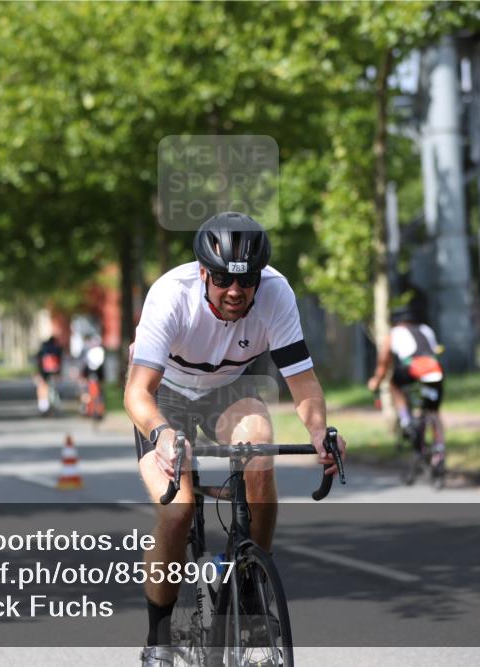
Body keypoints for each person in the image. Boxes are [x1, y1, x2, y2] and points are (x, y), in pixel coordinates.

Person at [123, 212, 347, 666]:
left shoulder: (276, 293)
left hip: (229, 385)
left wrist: (321, 432)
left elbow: (302, 381)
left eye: (246, 283)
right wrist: (163, 434)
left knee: (260, 447)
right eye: (223, 279)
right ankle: (159, 638)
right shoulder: (171, 295)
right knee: (178, 507)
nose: (235, 292)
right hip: (165, 393)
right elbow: (136, 392)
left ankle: (249, 589)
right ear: (203, 272)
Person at [367, 305, 446, 467]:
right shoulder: (426, 329)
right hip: (434, 370)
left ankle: (405, 419)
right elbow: (434, 351)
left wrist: (376, 380)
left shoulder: (394, 334)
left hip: (412, 370)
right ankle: (440, 449)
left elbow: (383, 363)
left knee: (393, 384)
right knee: (434, 412)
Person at [35, 335, 63, 415]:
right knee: (53, 389)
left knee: (42, 388)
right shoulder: (57, 349)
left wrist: (38, 373)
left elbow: (38, 362)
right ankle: (54, 406)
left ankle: (43, 407)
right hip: (54, 372)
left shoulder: (43, 349)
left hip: (43, 372)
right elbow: (60, 362)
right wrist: (59, 374)